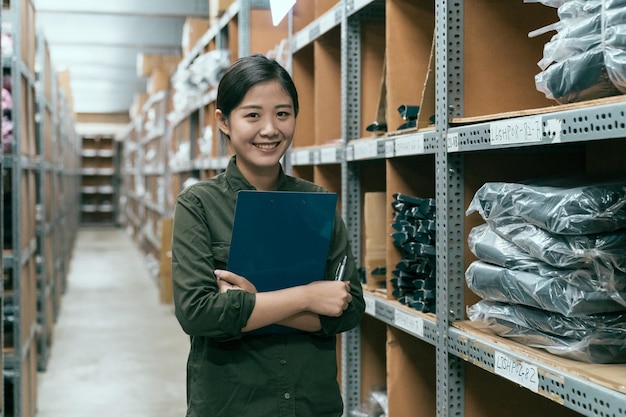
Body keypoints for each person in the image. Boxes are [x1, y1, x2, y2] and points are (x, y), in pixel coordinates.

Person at [171, 53, 365, 417]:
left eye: (283, 113)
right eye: (252, 115)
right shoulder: (198, 204)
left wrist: (249, 304)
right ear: (224, 121)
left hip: (311, 402)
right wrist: (308, 297)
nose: (270, 129)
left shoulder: (317, 203)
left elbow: (347, 308)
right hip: (232, 402)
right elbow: (198, 313)